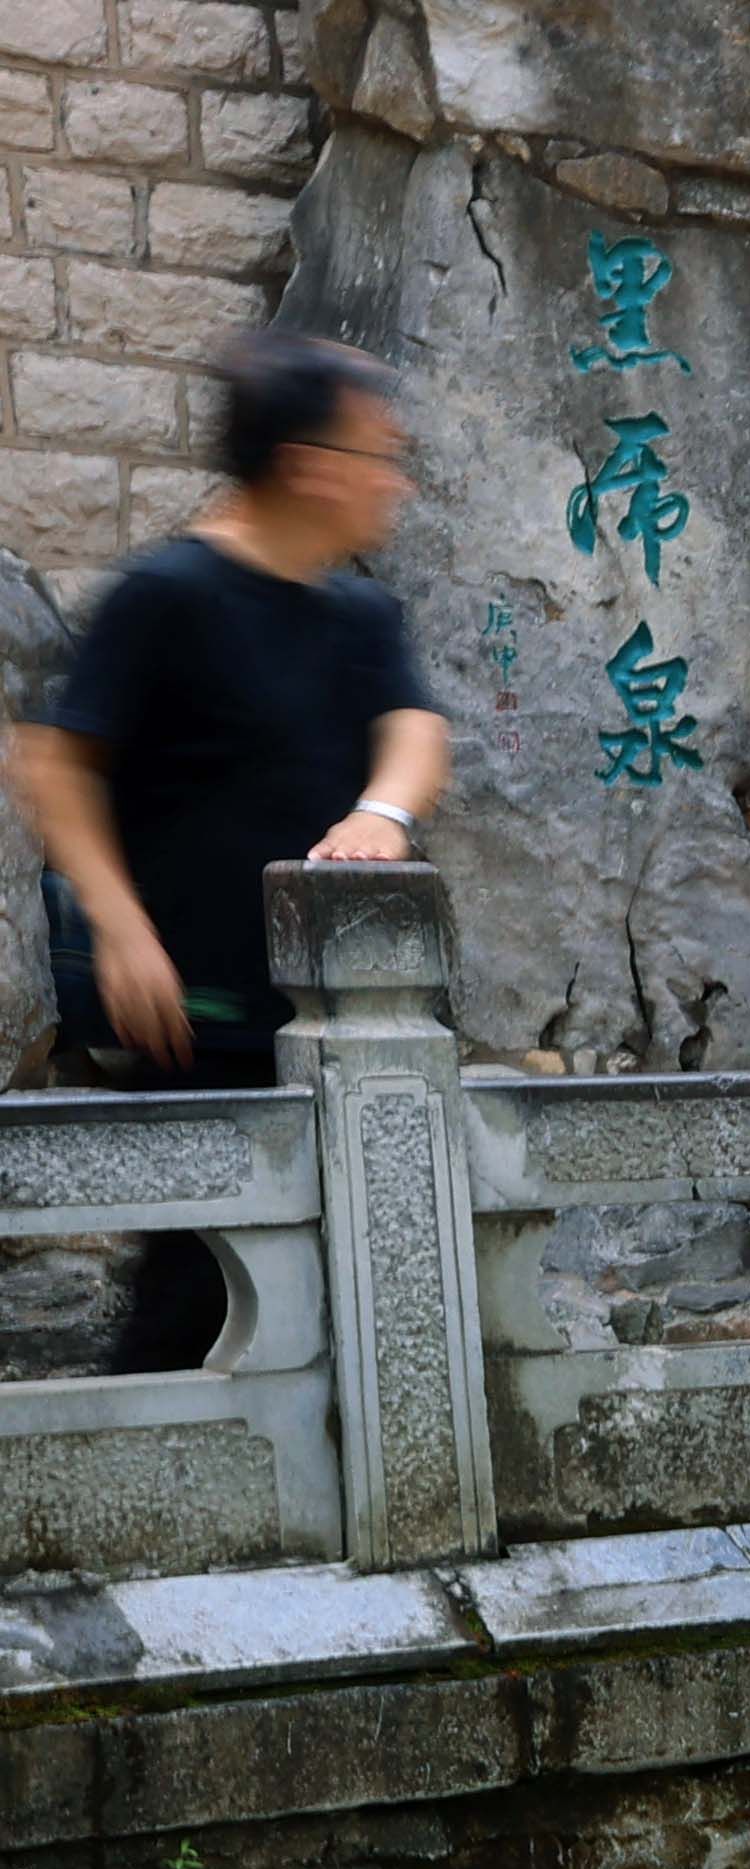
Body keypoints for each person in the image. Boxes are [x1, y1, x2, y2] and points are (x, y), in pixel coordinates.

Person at [11, 330, 446, 1373]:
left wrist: (383, 811)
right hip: (196, 1016)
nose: (396, 484)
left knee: (368, 1295)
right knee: (203, 1294)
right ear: (308, 465)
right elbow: (55, 765)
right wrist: (120, 929)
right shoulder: (170, 593)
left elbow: (416, 731)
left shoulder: (359, 607)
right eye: (379, 456)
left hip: (347, 1023)